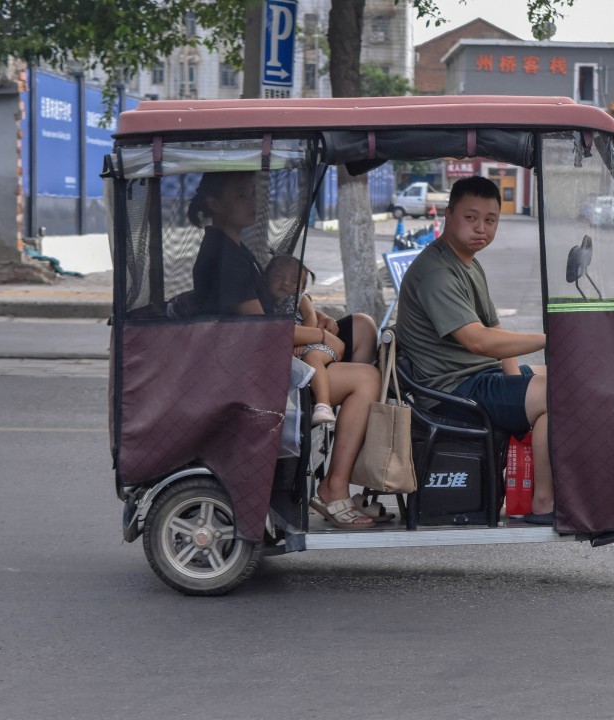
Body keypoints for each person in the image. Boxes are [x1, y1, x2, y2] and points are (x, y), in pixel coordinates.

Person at [188, 171, 383, 529]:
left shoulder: (237, 248)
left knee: (362, 325)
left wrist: (315, 317)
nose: (253, 201)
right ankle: (334, 486)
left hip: (261, 356)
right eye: (241, 194)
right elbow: (262, 329)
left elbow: (275, 306)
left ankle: (341, 443)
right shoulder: (224, 256)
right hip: (251, 371)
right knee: (367, 379)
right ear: (214, 203)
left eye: (253, 193)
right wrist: (318, 335)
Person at [394, 175, 554, 525]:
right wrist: (550, 338)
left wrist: (516, 386)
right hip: (451, 391)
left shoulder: (467, 262)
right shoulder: (437, 272)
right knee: (560, 393)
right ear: (448, 215)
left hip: (477, 377)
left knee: (564, 380)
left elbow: (494, 330)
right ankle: (545, 503)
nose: (481, 228)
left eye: (490, 220)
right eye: (471, 217)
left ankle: (544, 493)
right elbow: (478, 341)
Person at [263, 255, 343, 427]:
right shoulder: (266, 304)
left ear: (302, 289)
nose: (285, 283)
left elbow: (310, 317)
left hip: (314, 345)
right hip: (297, 349)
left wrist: (302, 342)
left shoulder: (300, 299)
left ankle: (323, 405)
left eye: (293, 281)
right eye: (278, 277)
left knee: (313, 358)